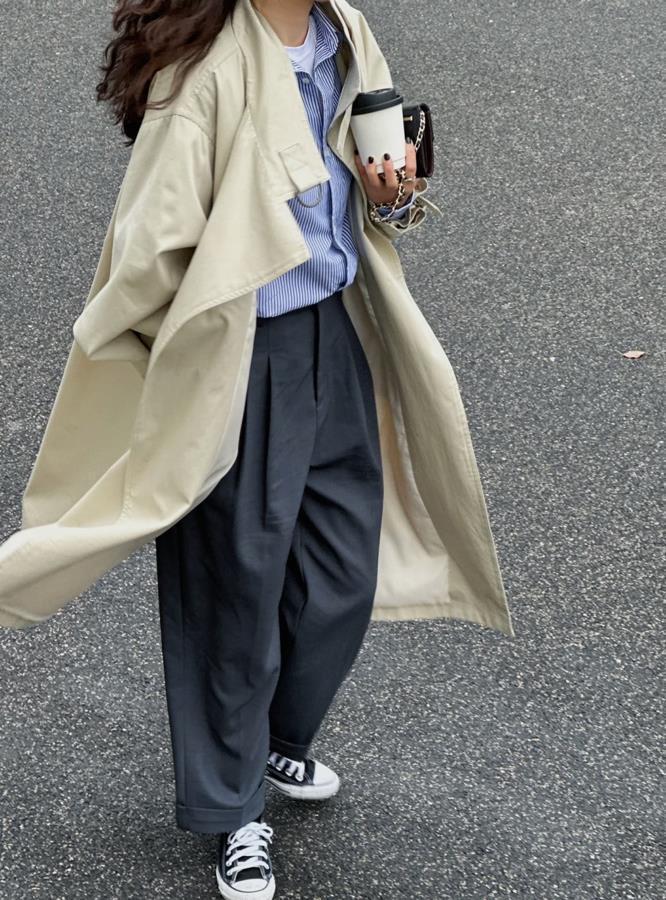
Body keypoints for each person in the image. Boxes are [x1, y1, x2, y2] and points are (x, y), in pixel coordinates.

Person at [0, 0, 514, 897]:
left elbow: (371, 191)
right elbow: (149, 243)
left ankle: (271, 742)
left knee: (342, 570)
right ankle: (233, 811)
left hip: (334, 331)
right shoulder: (203, 72)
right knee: (233, 591)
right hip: (238, 353)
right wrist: (168, 366)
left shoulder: (344, 32)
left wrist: (394, 196)